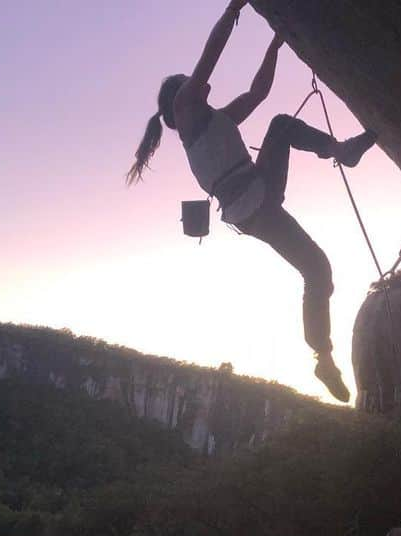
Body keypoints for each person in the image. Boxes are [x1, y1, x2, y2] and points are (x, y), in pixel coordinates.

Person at [125, 0, 378, 402]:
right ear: (181, 98)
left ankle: (323, 357)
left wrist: (275, 48)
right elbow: (210, 56)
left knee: (316, 268)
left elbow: (258, 93)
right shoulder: (186, 113)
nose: (199, 82)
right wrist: (233, 10)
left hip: (257, 198)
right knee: (317, 268)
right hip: (251, 204)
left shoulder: (214, 119)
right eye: (190, 83)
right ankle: (323, 357)